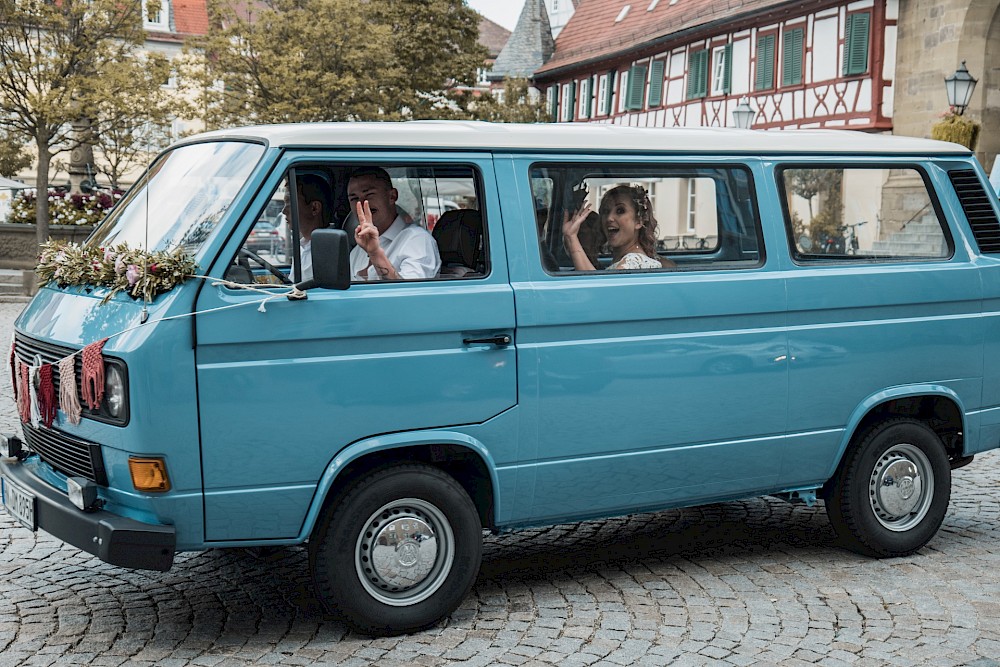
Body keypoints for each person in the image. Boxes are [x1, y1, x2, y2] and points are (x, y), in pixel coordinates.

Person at [347, 167, 441, 281]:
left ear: (392, 196)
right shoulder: (357, 250)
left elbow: (409, 293)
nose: (361, 204)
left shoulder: (417, 240)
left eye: (369, 195)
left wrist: (375, 254)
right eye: (354, 198)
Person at [562, 184, 671, 271]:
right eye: (605, 211)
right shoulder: (626, 259)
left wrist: (571, 237)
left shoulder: (634, 262)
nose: (609, 218)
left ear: (639, 221)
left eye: (620, 211)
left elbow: (598, 291)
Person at [283, 173, 333, 282]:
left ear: (314, 208)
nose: (284, 211)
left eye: (289, 203)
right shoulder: (304, 246)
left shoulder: (329, 251)